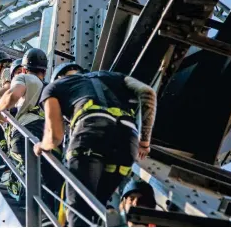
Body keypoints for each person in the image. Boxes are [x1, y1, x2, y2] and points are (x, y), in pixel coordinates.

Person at [34, 62, 157, 226]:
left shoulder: (53, 87)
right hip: (128, 139)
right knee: (96, 208)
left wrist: (41, 146)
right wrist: (144, 142)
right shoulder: (112, 76)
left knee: (79, 210)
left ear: (58, 77)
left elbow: (55, 137)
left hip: (90, 135)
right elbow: (148, 93)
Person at [0, 48, 64, 213]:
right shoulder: (51, 89)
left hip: (26, 134)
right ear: (44, 72)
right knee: (52, 186)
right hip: (50, 140)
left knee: (32, 182)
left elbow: (14, 94)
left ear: (24, 69)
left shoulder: (24, 77)